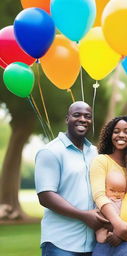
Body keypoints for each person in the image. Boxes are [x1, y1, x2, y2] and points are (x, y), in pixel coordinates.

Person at [35, 101, 108, 256]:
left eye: (87, 116)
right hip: (60, 243)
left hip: (93, 244)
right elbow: (45, 196)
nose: (83, 119)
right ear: (67, 119)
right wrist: (84, 215)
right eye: (77, 115)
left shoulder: (96, 153)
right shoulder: (50, 152)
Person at [90, 115, 127, 245]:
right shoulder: (101, 161)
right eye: (116, 131)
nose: (121, 135)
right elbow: (99, 195)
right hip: (109, 230)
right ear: (110, 135)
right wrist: (117, 224)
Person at [95, 171, 126, 243]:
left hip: (119, 226)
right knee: (101, 232)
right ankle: (103, 236)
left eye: (121, 191)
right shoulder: (105, 200)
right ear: (105, 188)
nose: (117, 194)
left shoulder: (123, 200)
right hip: (106, 224)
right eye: (112, 190)